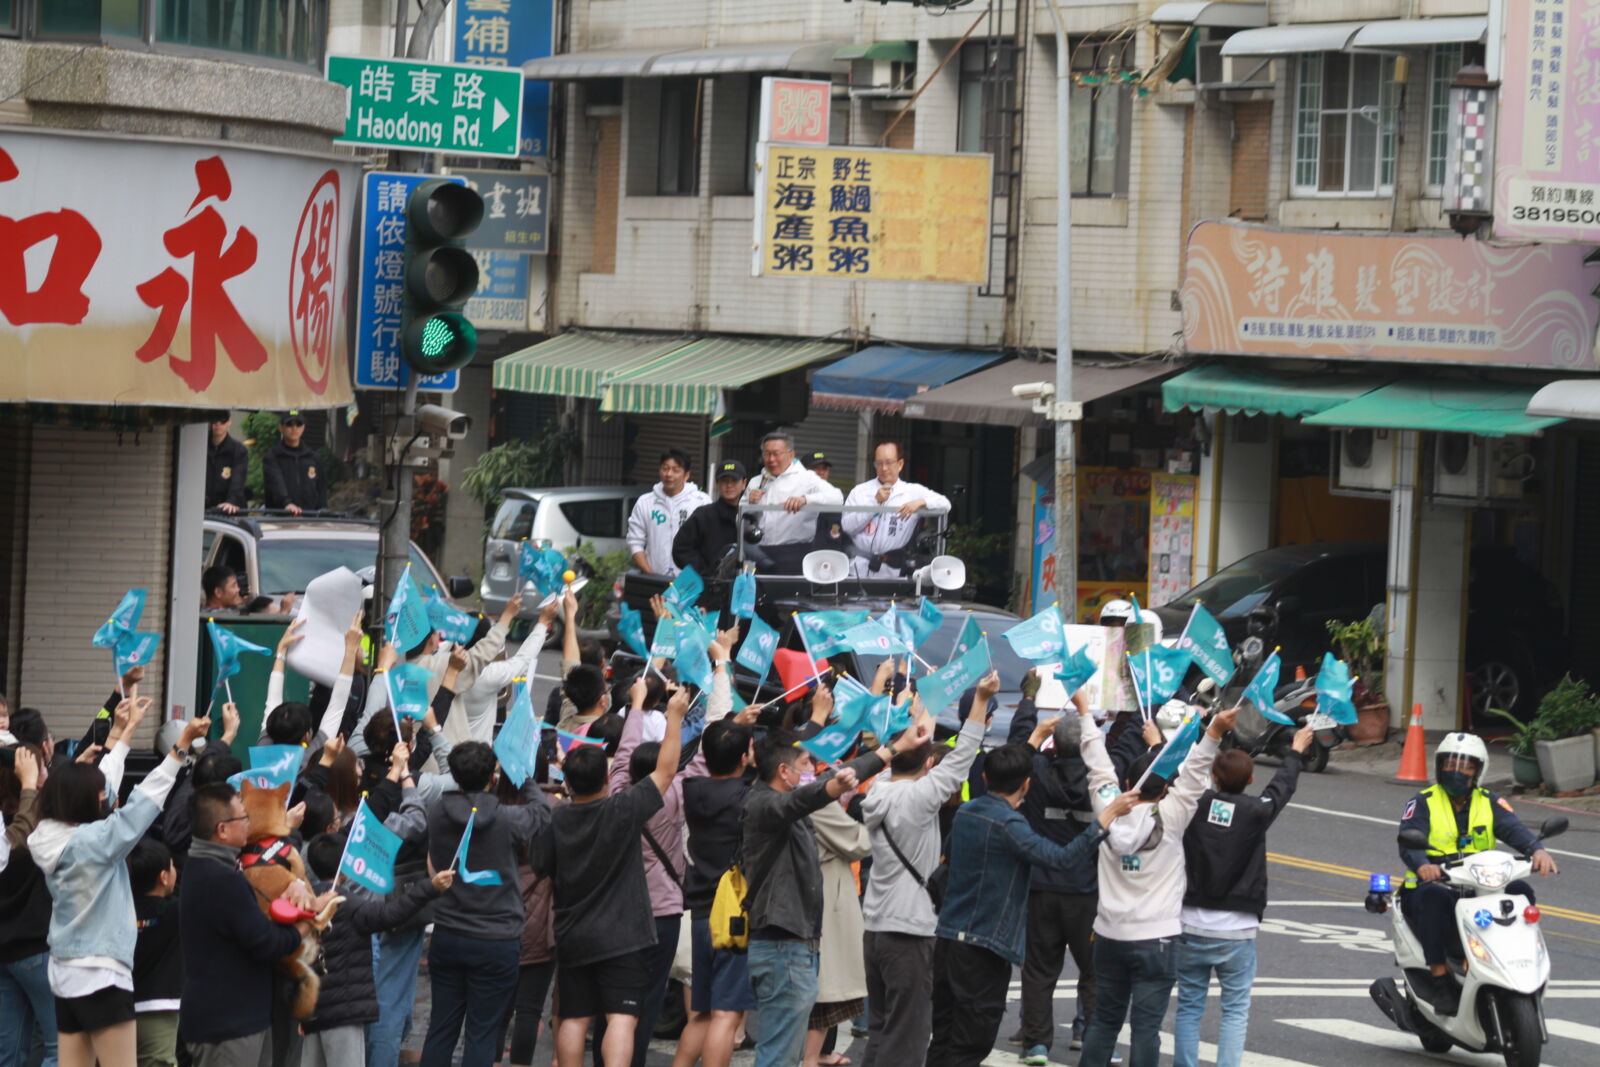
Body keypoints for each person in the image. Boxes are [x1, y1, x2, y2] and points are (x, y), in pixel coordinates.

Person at [741, 685, 930, 1067]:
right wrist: (835, 783)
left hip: (793, 943)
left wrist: (891, 747)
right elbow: (807, 797)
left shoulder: (771, 793)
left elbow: (818, 777)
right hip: (783, 945)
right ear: (783, 771)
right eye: (803, 766)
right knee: (778, 1054)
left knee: (785, 1051)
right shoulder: (766, 804)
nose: (810, 769)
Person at [927, 739, 1139, 1067]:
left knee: (944, 1034)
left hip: (949, 937)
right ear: (1026, 783)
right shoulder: (1010, 825)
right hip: (984, 947)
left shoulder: (967, 812)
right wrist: (1107, 816)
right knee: (972, 1041)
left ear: (984, 778)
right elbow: (1060, 858)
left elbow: (950, 857)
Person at [28, 705, 205, 1067]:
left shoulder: (49, 834)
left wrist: (122, 736)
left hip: (64, 973)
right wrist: (181, 747)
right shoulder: (95, 843)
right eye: (100, 797)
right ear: (84, 801)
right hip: (102, 976)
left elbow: (100, 784)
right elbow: (144, 803)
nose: (107, 798)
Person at [1005, 672, 1161, 1063]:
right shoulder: (1103, 779)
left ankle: (1037, 1043)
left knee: (1039, 971)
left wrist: (1029, 701)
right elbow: (1125, 747)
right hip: (1089, 891)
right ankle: (1092, 1036)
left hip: (1041, 887)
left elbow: (1016, 754)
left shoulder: (1036, 772)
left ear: (1055, 743)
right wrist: (1143, 698)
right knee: (1094, 974)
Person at [533, 689, 688, 1067]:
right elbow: (666, 770)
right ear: (605, 778)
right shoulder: (622, 809)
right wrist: (675, 717)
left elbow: (541, 868)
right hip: (624, 934)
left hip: (574, 933)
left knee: (574, 1016)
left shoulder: (556, 820)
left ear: (567, 781)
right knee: (622, 1016)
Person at [1077, 702, 1235, 1067]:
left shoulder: (1108, 811)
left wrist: (1086, 712)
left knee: (1103, 1022)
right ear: (1164, 791)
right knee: (1146, 1030)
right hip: (1157, 939)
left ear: (1127, 784)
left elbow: (1098, 765)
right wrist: (1212, 733)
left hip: (1109, 936)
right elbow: (1195, 775)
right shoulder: (1173, 814)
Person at [858, 672, 992, 1067]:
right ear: (930, 764)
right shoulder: (920, 799)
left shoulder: (877, 790)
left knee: (882, 1031)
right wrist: (981, 699)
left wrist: (921, 709)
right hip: (909, 932)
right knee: (908, 1038)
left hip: (875, 927)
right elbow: (964, 754)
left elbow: (905, 754)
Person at [1173, 726, 1312, 1067]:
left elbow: (1181, 777)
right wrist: (1294, 751)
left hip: (1191, 924)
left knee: (1190, 1007)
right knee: (1235, 1010)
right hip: (1237, 930)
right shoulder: (1256, 811)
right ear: (1250, 781)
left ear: (1213, 779)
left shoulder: (1193, 805)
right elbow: (1282, 787)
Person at [1398, 732, 1556, 1016]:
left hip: (1479, 883)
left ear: (1478, 771)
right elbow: (1409, 839)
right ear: (1438, 766)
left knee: (1521, 893)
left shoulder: (1490, 802)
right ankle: (1440, 979)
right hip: (1436, 883)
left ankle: (1519, 961)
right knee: (1433, 898)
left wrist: (1537, 850)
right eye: (1449, 763)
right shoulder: (1423, 801)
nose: (1456, 771)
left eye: (1465, 765)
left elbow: (1513, 828)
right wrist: (1423, 864)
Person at [420, 741, 552, 1067]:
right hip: (497, 939)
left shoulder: (437, 813)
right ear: (493, 776)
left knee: (441, 1028)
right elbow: (542, 812)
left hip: (449, 931)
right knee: (482, 1032)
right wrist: (523, 776)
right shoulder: (507, 820)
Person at [179, 782, 320, 1067]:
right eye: (244, 817)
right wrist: (310, 921)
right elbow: (268, 943)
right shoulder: (222, 879)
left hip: (230, 1018)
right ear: (222, 829)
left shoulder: (201, 866)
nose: (249, 823)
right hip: (229, 1025)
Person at [298, 833, 453, 1067]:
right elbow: (392, 914)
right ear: (345, 869)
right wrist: (429, 887)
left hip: (312, 1012)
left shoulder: (302, 906)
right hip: (345, 1014)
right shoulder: (349, 905)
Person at [671, 718, 756, 1067]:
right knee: (727, 1014)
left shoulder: (692, 789)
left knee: (703, 1012)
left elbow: (700, 759)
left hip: (701, 910)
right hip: (733, 913)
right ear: (742, 757)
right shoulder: (746, 797)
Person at [804, 790, 870, 1067]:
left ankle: (817, 1055)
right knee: (827, 986)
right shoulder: (814, 801)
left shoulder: (767, 797)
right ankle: (810, 1059)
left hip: (805, 899)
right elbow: (858, 842)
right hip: (825, 900)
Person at [0, 743, 56, 1067]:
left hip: (5, 955)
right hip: (38, 949)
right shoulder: (40, 827)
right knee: (60, 1047)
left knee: (10, 1053)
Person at [841, 442, 951, 578]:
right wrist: (874, 503)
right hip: (858, 567)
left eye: (888, 462)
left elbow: (945, 503)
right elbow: (847, 526)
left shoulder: (912, 491)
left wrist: (921, 502)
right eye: (879, 463)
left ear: (900, 464)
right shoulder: (860, 491)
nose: (884, 468)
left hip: (892, 569)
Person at [743, 433, 842, 571]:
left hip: (795, 552)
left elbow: (837, 497)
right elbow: (739, 520)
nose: (771, 459)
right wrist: (751, 504)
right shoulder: (755, 481)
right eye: (767, 454)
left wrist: (805, 499)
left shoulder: (807, 478)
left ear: (791, 455)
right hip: (760, 552)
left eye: (776, 454)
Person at [128, 839, 182, 1067]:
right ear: (163, 877)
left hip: (119, 1005)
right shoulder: (175, 911)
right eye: (172, 866)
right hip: (160, 1008)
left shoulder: (120, 908)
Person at [628, 450, 710, 577]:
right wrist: (649, 573)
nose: (669, 474)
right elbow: (635, 541)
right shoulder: (645, 502)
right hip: (654, 578)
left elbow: (709, 542)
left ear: (687, 475)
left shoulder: (701, 501)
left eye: (676, 470)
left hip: (690, 582)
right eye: (665, 469)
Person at [673, 461, 747, 577]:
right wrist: (705, 572)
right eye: (724, 481)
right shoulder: (703, 515)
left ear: (744, 483)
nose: (729, 485)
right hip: (707, 587)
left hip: (743, 585)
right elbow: (680, 549)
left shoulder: (749, 516)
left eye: (734, 480)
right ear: (717, 484)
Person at [261, 411, 326, 515]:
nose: (294, 428)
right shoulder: (273, 456)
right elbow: (276, 482)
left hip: (310, 519)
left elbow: (321, 489)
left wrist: (323, 509)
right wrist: (287, 502)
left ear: (303, 427)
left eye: (298, 424)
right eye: (289, 424)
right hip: (279, 518)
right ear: (281, 428)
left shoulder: (313, 457)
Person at [206, 417, 249, 513]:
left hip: (230, 508)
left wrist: (231, 501)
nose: (218, 424)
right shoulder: (201, 445)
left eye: (222, 421)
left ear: (229, 422)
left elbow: (238, 478)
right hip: (204, 507)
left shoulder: (238, 450)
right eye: (214, 421)